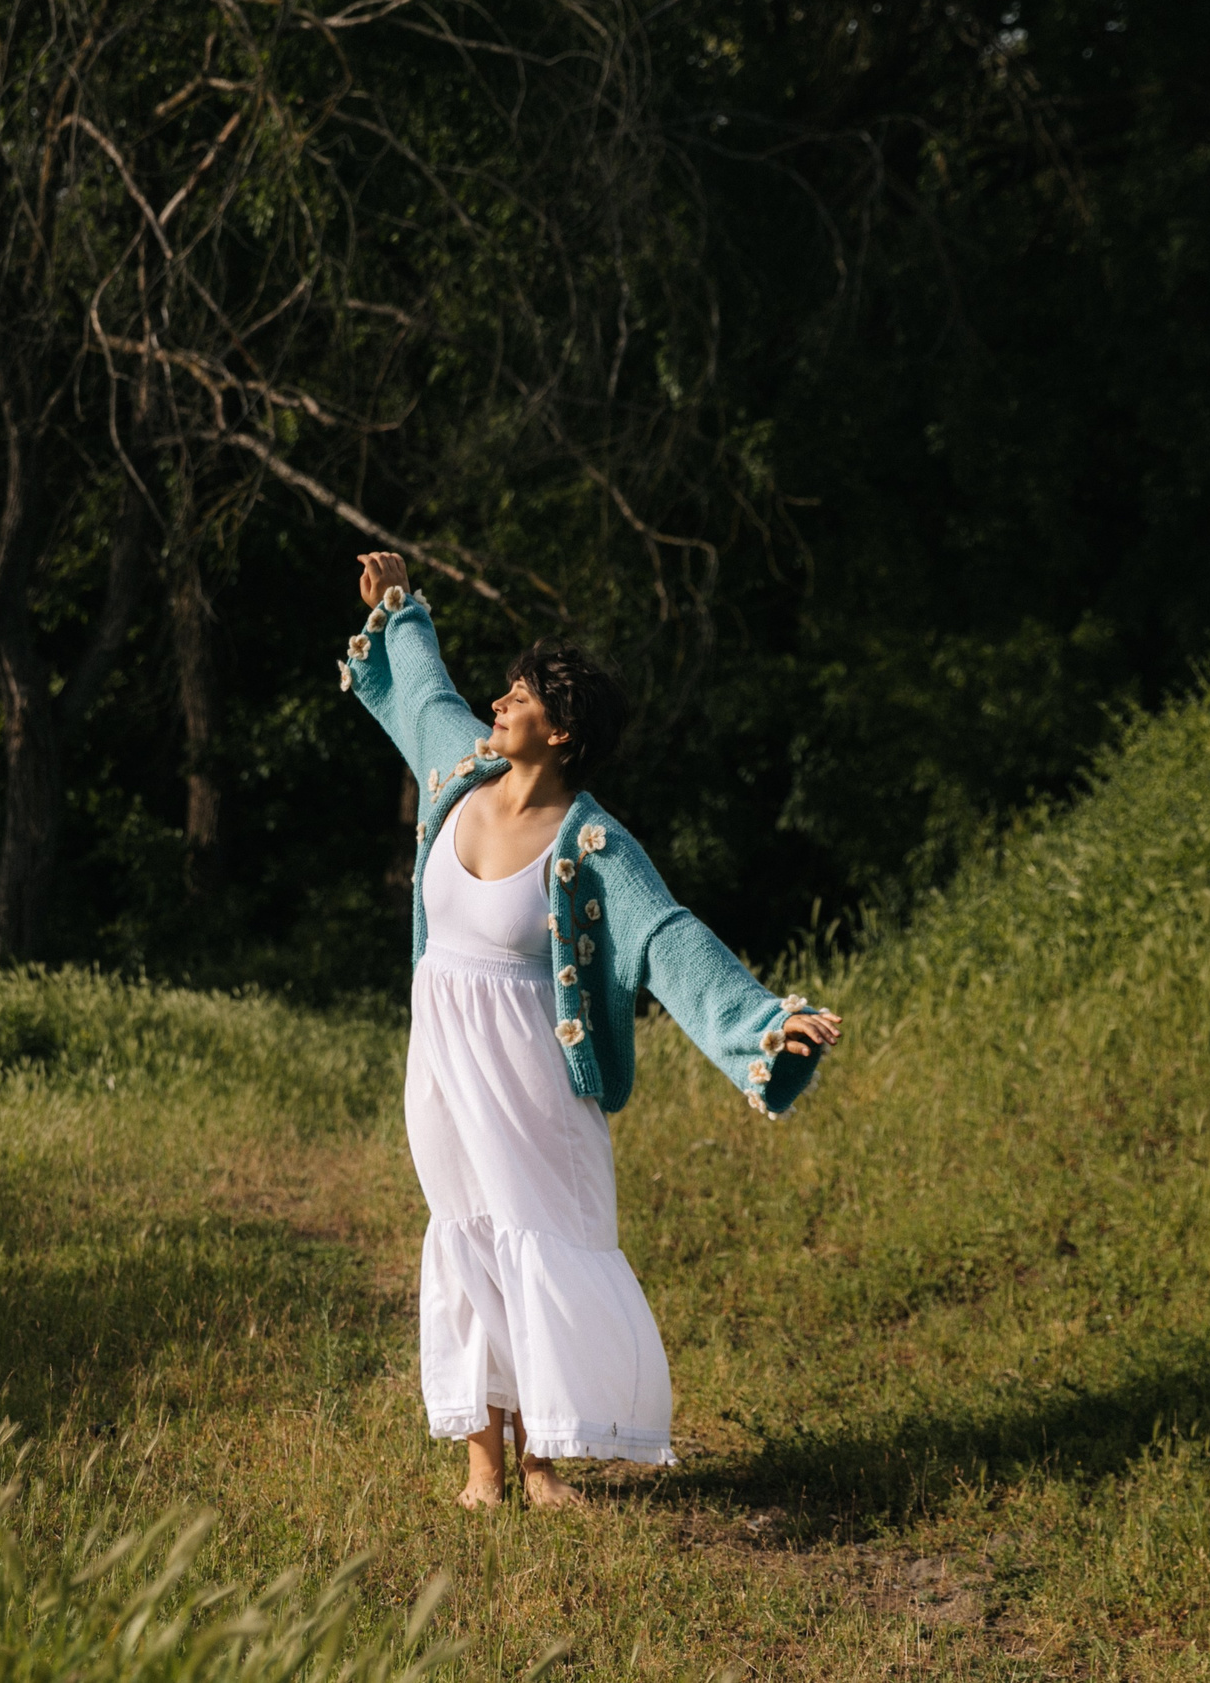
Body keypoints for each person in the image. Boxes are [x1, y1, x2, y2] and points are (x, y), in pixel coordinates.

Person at [339, 550, 842, 1509]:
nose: (498, 701)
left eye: (520, 696)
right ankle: (483, 1467)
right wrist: (399, 608)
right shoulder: (459, 771)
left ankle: (540, 1465)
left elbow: (669, 939)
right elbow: (426, 690)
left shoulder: (593, 843)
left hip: (530, 1078)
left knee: (538, 1241)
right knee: (465, 1236)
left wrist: (765, 1025)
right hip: (441, 1067)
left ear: (561, 731)